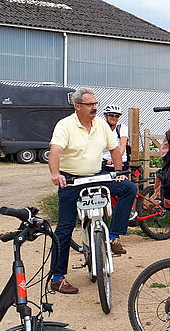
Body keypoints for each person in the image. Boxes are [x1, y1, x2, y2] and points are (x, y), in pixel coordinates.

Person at [48, 87, 137, 294]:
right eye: (90, 105)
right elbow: (55, 151)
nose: (95, 108)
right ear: (77, 106)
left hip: (97, 177)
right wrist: (55, 173)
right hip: (72, 181)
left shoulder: (101, 125)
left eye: (96, 104)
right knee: (64, 228)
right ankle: (57, 277)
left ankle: (114, 235)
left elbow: (115, 149)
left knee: (128, 188)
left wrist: (118, 172)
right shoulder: (65, 125)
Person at [100, 103, 129, 173]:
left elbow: (123, 145)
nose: (114, 118)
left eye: (117, 116)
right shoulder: (100, 129)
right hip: (104, 164)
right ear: (105, 116)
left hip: (120, 164)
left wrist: (115, 159)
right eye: (111, 115)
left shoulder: (122, 128)